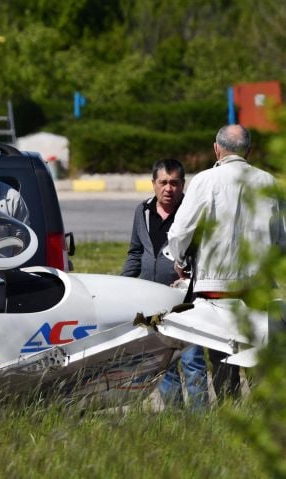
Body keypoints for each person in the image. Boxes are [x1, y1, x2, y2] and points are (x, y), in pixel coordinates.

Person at [168, 124, 286, 401]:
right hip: (257, 287)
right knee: (258, 356)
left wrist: (180, 259)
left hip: (215, 286)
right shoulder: (268, 182)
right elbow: (282, 238)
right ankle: (260, 416)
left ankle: (228, 411)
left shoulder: (205, 180)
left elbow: (181, 231)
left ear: (216, 149)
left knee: (222, 357)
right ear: (250, 150)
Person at [121, 158, 207, 408]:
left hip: (186, 302)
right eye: (163, 182)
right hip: (152, 300)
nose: (168, 188)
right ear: (153, 184)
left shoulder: (192, 214)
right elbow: (135, 252)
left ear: (183, 185)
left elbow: (205, 254)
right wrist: (123, 284)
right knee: (164, 363)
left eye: (174, 183)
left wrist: (189, 278)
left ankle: (201, 419)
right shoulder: (143, 211)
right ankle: (175, 416)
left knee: (192, 362)